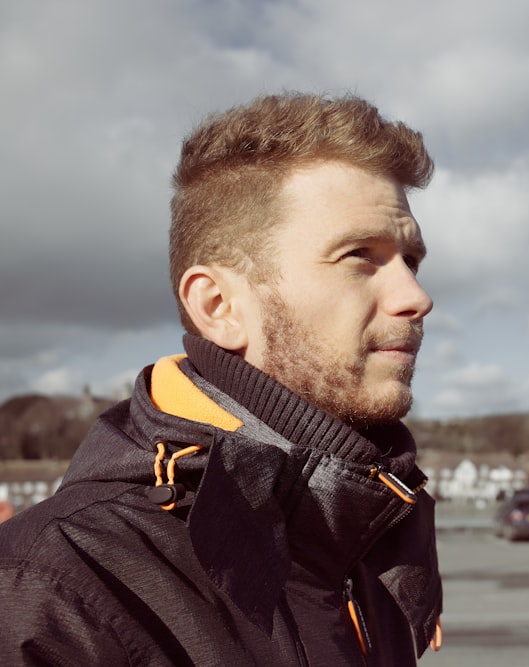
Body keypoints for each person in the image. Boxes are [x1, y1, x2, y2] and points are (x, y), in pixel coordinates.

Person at [0, 92, 444, 665]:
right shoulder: (50, 589)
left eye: (411, 261)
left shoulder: (369, 542)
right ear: (218, 306)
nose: (417, 297)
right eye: (360, 255)